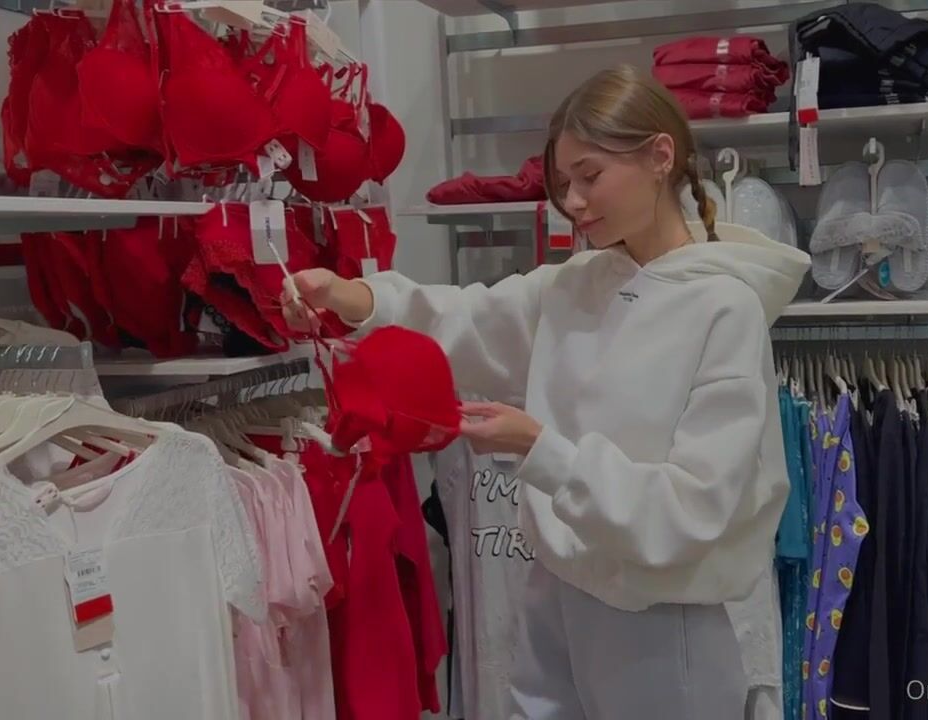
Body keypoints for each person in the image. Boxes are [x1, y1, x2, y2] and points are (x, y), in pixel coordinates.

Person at [282, 64, 810, 719]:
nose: (575, 202)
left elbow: (696, 508)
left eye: (590, 176)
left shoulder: (724, 309)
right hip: (555, 592)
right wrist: (353, 297)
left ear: (660, 156)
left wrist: (542, 450)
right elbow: (467, 319)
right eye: (563, 184)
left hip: (663, 615)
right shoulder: (577, 284)